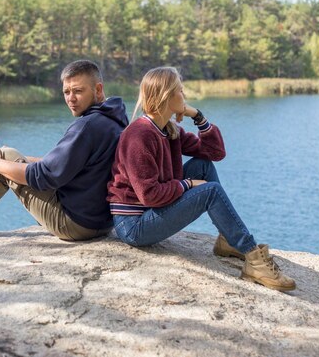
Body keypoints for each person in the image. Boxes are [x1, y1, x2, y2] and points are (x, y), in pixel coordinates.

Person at [106, 66, 296, 291]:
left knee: (203, 166)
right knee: (211, 191)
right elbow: (149, 195)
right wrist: (187, 184)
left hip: (150, 210)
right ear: (166, 96)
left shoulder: (169, 129)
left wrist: (198, 116)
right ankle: (253, 260)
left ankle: (227, 240)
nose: (184, 94)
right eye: (180, 90)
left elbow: (215, 153)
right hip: (134, 225)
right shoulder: (139, 135)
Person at [0, 60, 128, 242]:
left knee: (4, 155)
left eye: (78, 91)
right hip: (101, 221)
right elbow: (68, 164)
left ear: (98, 89)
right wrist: (21, 160)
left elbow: (45, 176)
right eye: (66, 92)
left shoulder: (86, 126)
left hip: (76, 224)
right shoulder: (114, 119)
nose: (71, 98)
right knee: (11, 156)